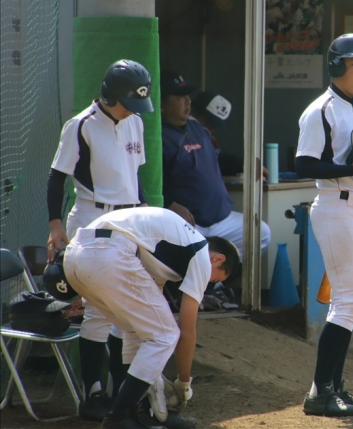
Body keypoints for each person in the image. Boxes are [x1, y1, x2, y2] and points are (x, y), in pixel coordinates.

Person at [61, 206, 240, 429]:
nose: (209, 283)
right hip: (110, 253)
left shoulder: (173, 249)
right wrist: (184, 383)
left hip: (76, 255)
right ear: (218, 259)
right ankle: (117, 417)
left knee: (138, 331)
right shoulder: (201, 254)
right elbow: (187, 329)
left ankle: (140, 411)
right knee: (166, 335)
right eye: (214, 280)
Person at [46, 59, 154, 421]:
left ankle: (119, 394)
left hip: (128, 220)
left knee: (125, 312)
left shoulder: (135, 121)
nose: (133, 109)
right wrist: (55, 225)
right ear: (109, 95)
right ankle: (93, 394)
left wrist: (144, 212)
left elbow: (135, 176)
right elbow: (57, 177)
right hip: (92, 218)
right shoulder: (81, 125)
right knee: (97, 311)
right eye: (128, 101)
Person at [296, 33, 353, 417]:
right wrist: (351, 168)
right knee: (348, 301)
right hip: (336, 207)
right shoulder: (321, 110)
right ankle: (320, 393)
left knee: (350, 302)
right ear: (335, 66)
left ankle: (334, 388)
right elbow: (304, 163)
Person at [160, 71, 271, 259]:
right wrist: (168, 204)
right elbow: (146, 182)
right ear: (162, 105)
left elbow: (216, 158)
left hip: (221, 219)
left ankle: (221, 276)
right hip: (188, 223)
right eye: (179, 97)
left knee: (260, 233)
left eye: (187, 96)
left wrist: (244, 164)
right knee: (192, 261)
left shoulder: (197, 128)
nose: (187, 101)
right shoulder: (157, 136)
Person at [191, 90, 269, 181]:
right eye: (208, 122)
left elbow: (217, 159)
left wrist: (246, 165)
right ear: (192, 111)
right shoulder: (184, 135)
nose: (211, 129)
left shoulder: (208, 140)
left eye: (215, 125)